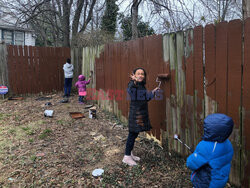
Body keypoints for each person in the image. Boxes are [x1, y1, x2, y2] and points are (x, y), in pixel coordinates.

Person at [122, 67, 159, 166]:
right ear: (134, 75)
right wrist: (134, 82)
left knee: (135, 134)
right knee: (132, 134)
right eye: (138, 73)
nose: (141, 75)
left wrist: (153, 92)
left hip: (141, 114)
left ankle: (129, 153)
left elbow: (145, 98)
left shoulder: (142, 85)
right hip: (135, 114)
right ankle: (126, 157)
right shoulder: (132, 84)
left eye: (142, 74)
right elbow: (131, 91)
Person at [186, 113, 234, 188]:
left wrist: (192, 157)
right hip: (220, 181)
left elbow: (191, 164)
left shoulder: (207, 147)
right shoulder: (227, 143)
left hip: (206, 183)